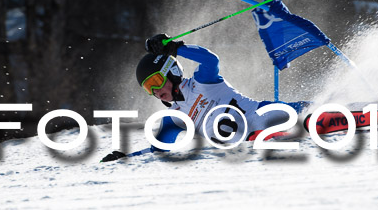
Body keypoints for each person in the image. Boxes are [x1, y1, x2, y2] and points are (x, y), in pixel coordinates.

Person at [101, 34, 309, 162]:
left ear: (170, 70)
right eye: (148, 88)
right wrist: (126, 157)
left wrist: (176, 48)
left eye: (155, 81)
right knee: (218, 126)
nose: (156, 91)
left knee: (294, 112)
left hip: (258, 114)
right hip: (238, 138)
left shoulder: (201, 82)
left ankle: (318, 117)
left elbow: (210, 60)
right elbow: (158, 150)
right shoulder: (173, 118)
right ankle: (265, 137)